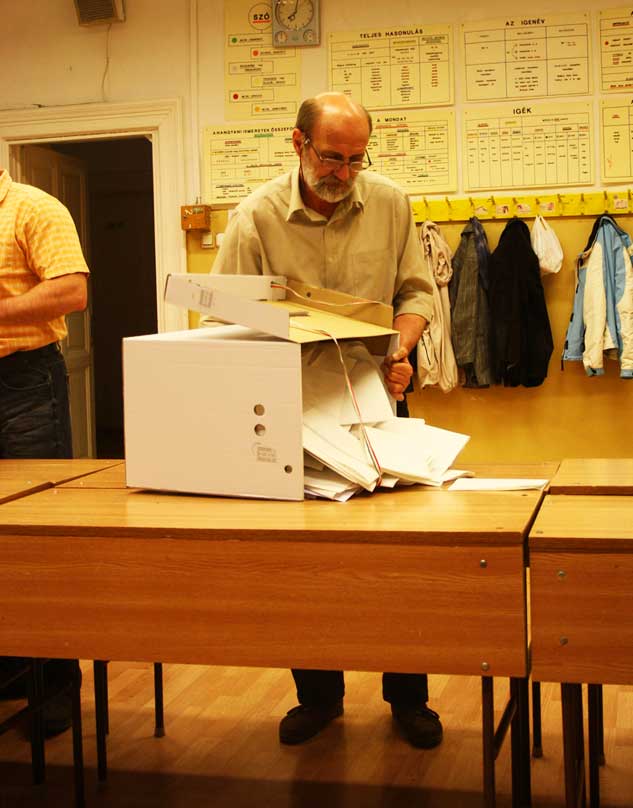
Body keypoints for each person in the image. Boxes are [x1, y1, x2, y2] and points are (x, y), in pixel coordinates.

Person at [209, 92, 442, 749]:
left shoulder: (390, 202)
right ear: (298, 143)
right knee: (304, 563)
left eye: (355, 159)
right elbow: (224, 316)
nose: (343, 173)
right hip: (292, 405)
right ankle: (317, 697)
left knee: (400, 558)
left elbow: (415, 290)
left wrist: (401, 348)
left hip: (377, 393)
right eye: (332, 158)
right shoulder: (255, 218)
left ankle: (409, 698)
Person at [0, 167, 89, 735]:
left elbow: (72, 291)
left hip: (24, 381)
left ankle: (56, 685)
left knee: (40, 536)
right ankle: (12, 671)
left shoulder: (33, 207)